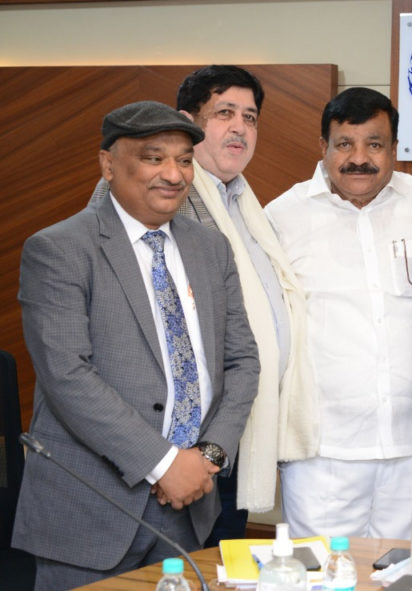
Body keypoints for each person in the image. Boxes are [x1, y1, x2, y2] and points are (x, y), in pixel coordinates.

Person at [14, 101, 260, 590]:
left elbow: (242, 361)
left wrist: (206, 457)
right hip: (92, 511)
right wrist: (165, 463)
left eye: (184, 160)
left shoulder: (211, 247)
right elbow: (68, 376)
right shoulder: (59, 249)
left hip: (190, 505)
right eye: (154, 158)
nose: (174, 174)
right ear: (108, 164)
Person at [91, 66, 317, 545]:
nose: (240, 128)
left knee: (220, 568)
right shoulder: (152, 193)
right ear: (187, 122)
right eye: (224, 113)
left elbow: (245, 345)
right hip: (165, 450)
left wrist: (215, 451)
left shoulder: (246, 203)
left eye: (250, 117)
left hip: (230, 437)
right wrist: (173, 460)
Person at [265, 88, 412, 539]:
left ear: (395, 148)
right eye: (344, 144)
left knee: (409, 570)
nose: (359, 158)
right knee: (323, 570)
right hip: (322, 452)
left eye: (374, 144)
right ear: (323, 147)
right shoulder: (281, 218)